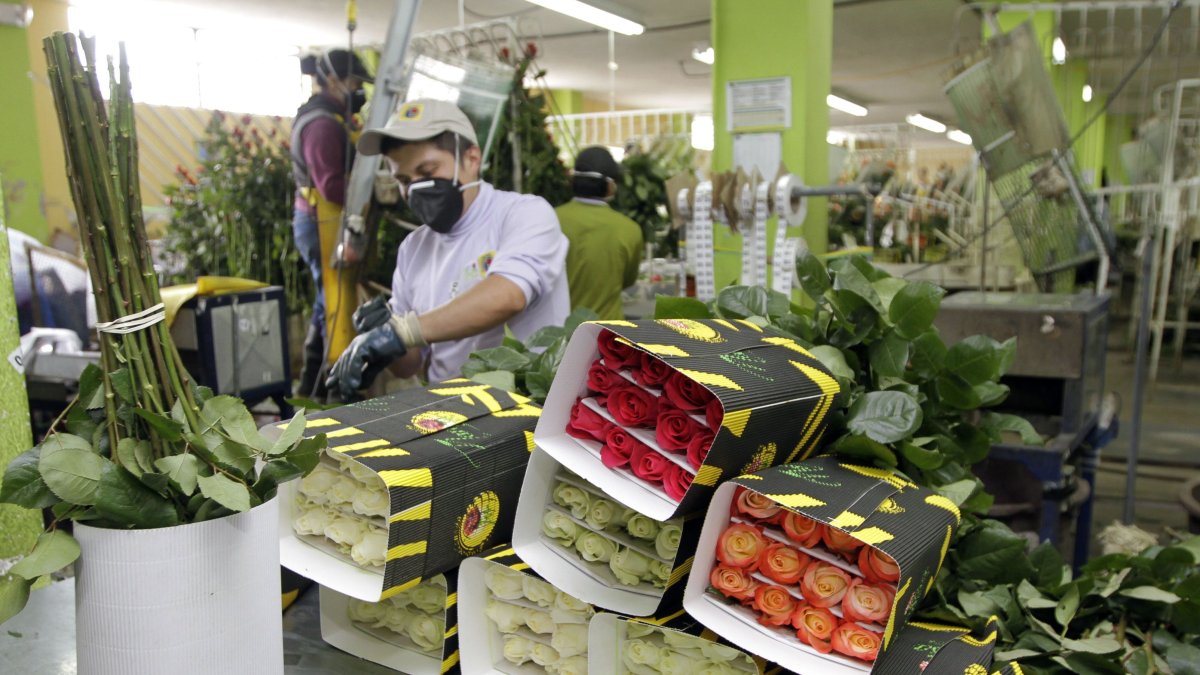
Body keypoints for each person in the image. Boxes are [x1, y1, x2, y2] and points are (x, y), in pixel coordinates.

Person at [326, 99, 571, 397]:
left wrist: (403, 331)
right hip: (447, 412)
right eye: (403, 180)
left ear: (471, 159)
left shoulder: (524, 214)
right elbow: (411, 365)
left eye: (427, 172)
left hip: (524, 409)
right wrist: (384, 341)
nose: (414, 189)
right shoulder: (413, 249)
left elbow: (508, 296)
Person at [290, 48, 372, 397]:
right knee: (334, 305)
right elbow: (331, 186)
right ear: (334, 81)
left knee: (327, 302)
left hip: (323, 221)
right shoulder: (323, 124)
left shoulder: (332, 117)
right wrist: (371, 188)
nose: (358, 89)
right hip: (320, 223)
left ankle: (310, 388)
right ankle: (327, 391)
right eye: (354, 82)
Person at [554, 146, 643, 320]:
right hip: (609, 336)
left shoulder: (549, 220)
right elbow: (628, 281)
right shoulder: (629, 229)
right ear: (610, 186)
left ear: (572, 181)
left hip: (560, 333)